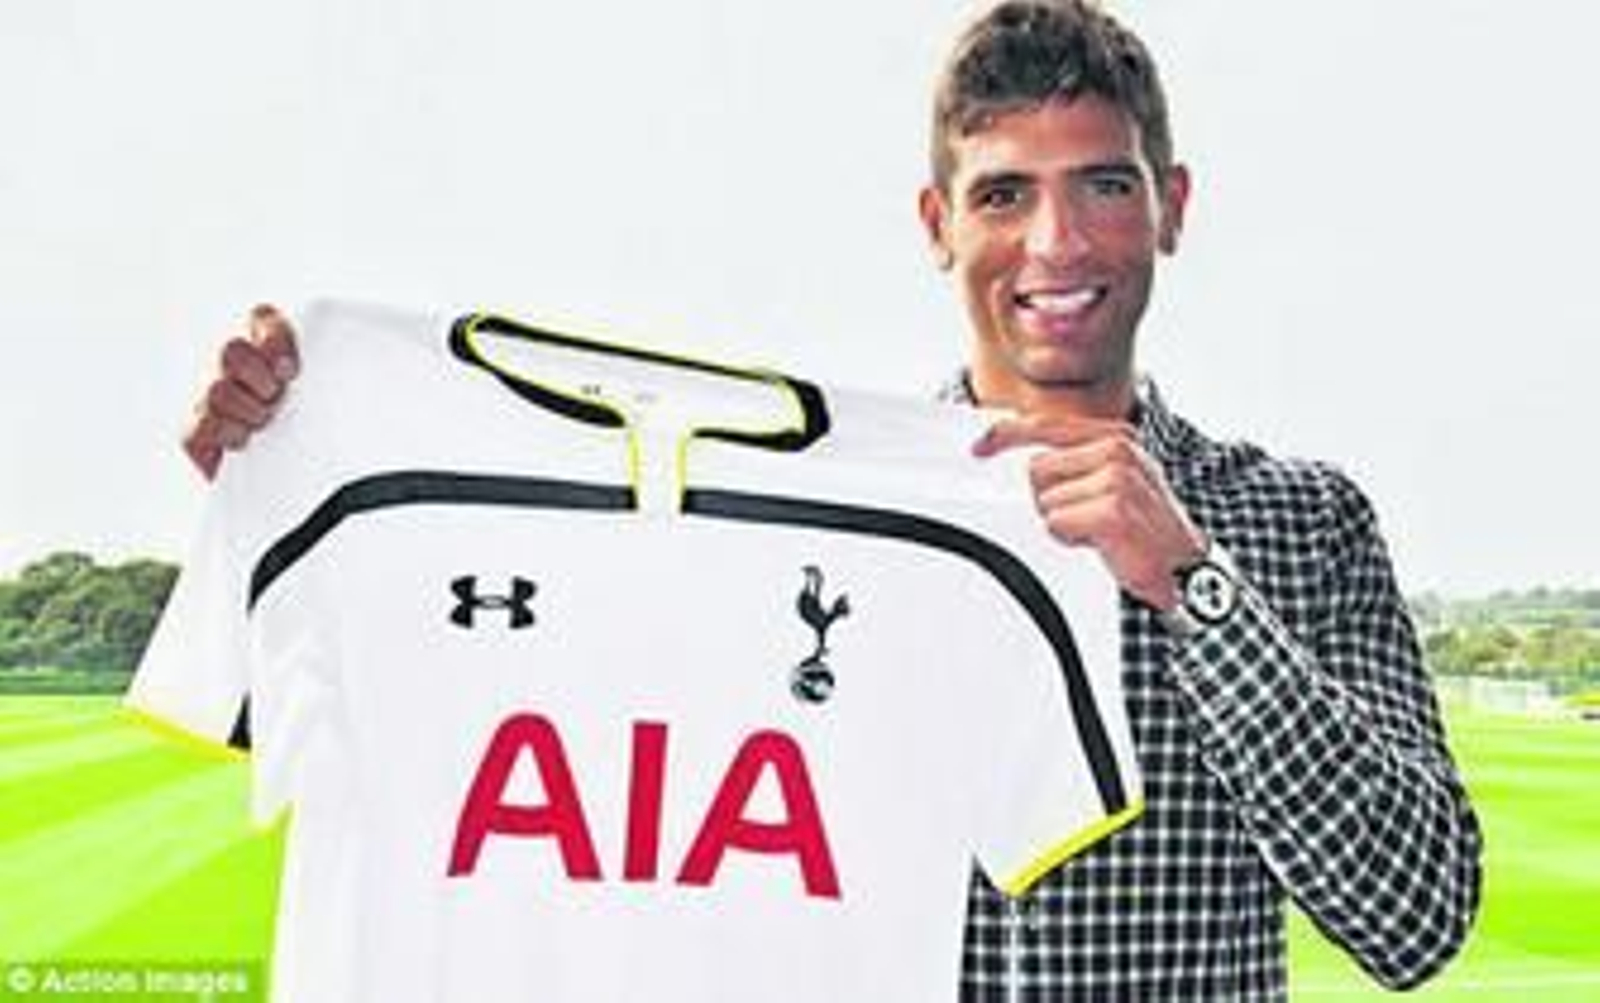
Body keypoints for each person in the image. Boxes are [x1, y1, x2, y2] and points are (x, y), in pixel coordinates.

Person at [179, 1, 1482, 998]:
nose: (1055, 245)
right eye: (1004, 194)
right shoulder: (800, 524)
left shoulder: (1301, 525)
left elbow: (1416, 924)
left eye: (1103, 184)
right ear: (937, 223)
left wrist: (1195, 591)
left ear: (1171, 207)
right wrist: (290, 458)